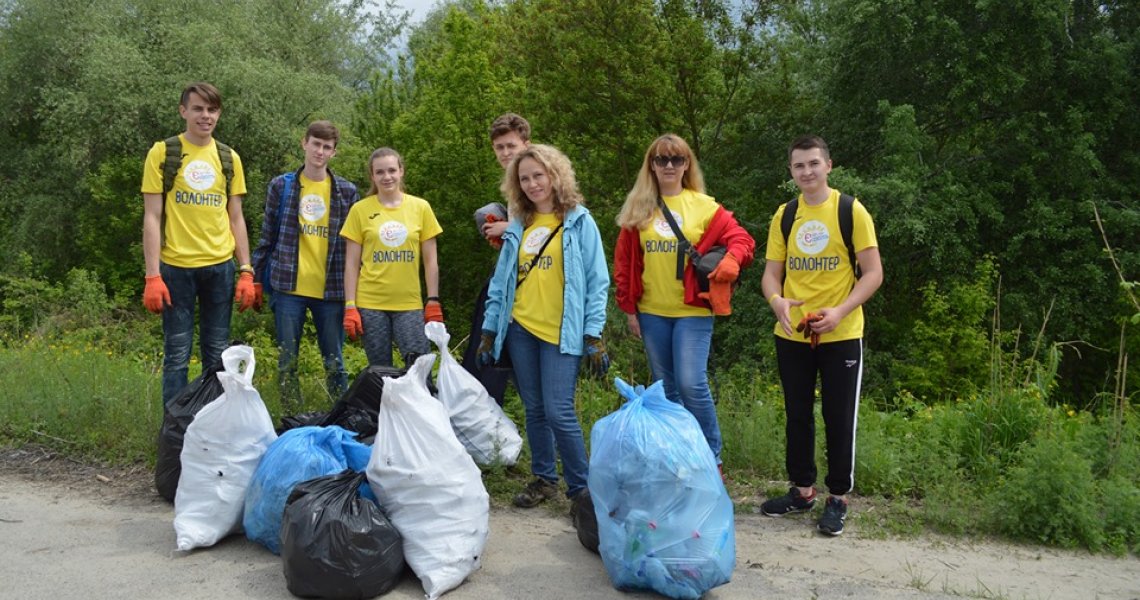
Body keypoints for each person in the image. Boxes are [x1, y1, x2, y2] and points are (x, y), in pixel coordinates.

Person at [759, 135, 883, 536]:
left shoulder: (851, 211)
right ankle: (802, 491)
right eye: (799, 166)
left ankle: (838, 498)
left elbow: (874, 274)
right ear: (791, 171)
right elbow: (771, 273)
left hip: (842, 333)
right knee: (797, 414)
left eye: (814, 163)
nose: (807, 172)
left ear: (829, 165)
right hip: (792, 333)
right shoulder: (785, 214)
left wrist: (841, 311)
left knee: (838, 416)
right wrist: (776, 301)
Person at [477, 144, 610, 509]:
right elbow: (502, 280)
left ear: (555, 175)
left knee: (558, 410)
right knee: (534, 409)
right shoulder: (519, 223)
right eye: (525, 178)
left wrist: (593, 334)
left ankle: (582, 489)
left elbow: (598, 282)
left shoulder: (580, 220)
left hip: (560, 331)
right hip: (520, 328)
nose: (533, 183)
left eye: (539, 175)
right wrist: (490, 330)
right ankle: (545, 479)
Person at [614, 133, 755, 470]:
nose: (669, 165)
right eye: (661, 159)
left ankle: (711, 457)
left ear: (687, 164)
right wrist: (629, 308)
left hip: (692, 310)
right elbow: (625, 264)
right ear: (651, 165)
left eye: (676, 159)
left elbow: (742, 239)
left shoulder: (703, 206)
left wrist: (732, 259)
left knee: (692, 382)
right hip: (651, 313)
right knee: (667, 390)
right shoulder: (639, 208)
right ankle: (678, 457)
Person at [141, 82, 255, 406]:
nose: (206, 116)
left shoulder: (229, 158)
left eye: (212, 109)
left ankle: (211, 430)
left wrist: (246, 270)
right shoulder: (163, 153)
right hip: (176, 268)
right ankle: (174, 436)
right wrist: (152, 275)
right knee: (177, 353)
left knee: (217, 354)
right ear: (183, 111)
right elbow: (152, 216)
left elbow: (236, 217)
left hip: (220, 267)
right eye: (198, 109)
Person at [251, 121, 359, 409]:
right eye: (316, 144)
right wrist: (255, 278)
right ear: (304, 143)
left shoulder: (347, 192)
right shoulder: (281, 186)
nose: (320, 152)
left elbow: (355, 249)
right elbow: (267, 235)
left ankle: (341, 414)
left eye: (327, 147)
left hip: (332, 288)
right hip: (288, 285)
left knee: (335, 361)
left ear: (334, 152)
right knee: (287, 359)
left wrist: (355, 298)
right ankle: (290, 414)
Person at [340, 147, 443, 367]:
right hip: (370, 304)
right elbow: (351, 264)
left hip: (409, 304)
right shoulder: (359, 210)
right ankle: (383, 403)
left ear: (401, 171)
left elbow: (431, 260)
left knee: (419, 367)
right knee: (380, 371)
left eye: (391, 170)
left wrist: (433, 300)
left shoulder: (420, 207)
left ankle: (422, 403)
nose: (387, 177)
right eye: (380, 172)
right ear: (372, 176)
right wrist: (350, 305)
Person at [461, 112, 532, 404]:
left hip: (532, 281)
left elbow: (549, 227)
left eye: (511, 146)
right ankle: (490, 422)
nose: (505, 152)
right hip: (511, 274)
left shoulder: (534, 177)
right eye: (500, 147)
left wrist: (509, 228)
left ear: (526, 144)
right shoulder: (512, 180)